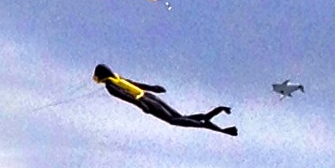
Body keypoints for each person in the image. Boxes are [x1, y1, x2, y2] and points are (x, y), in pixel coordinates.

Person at [92, 63, 238, 136]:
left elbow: (128, 95)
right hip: (148, 97)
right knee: (180, 118)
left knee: (174, 120)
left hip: (146, 100)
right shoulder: (115, 79)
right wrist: (152, 90)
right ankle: (213, 115)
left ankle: (212, 125)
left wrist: (143, 102)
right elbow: (131, 87)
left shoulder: (112, 84)